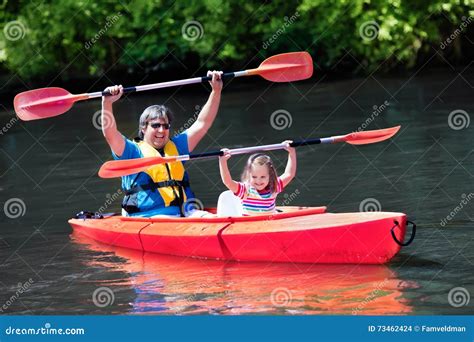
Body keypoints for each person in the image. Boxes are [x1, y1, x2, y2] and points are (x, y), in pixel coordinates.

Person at [101, 71, 223, 217]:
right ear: (143, 128)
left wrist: (216, 90)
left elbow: (203, 123)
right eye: (156, 125)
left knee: (214, 219)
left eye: (165, 126)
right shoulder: (131, 151)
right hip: (149, 216)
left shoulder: (178, 146)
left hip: (187, 211)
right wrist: (107, 103)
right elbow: (110, 134)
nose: (161, 130)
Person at [218, 142, 297, 216]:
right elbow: (228, 182)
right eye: (254, 177)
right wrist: (223, 161)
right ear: (249, 176)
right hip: (249, 226)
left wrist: (291, 152)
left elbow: (289, 174)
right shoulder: (245, 190)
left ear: (270, 176)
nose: (258, 181)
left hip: (270, 225)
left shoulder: (274, 186)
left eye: (263, 177)